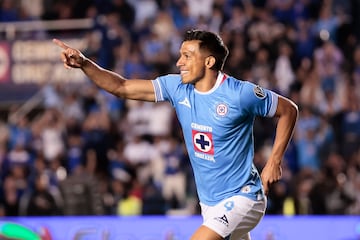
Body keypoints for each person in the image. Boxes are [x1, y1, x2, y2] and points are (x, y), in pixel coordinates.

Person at [53, 29, 298, 240]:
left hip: (244, 196)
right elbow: (122, 87)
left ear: (209, 62)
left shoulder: (239, 94)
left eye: (187, 56)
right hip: (210, 205)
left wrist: (274, 161)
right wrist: (85, 63)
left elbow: (289, 110)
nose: (179, 62)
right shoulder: (177, 87)